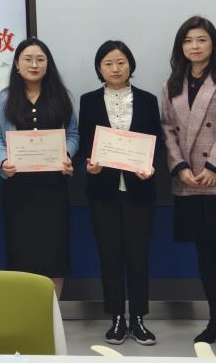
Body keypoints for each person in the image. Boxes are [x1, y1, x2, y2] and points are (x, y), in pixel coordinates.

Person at [160, 16, 216, 349]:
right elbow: (167, 129)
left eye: (201, 40)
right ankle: (214, 320)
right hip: (190, 180)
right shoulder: (172, 84)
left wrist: (215, 166)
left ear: (213, 43)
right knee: (204, 253)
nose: (194, 46)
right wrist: (179, 166)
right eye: (187, 41)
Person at [78, 40, 162, 346]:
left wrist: (150, 167)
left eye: (121, 62)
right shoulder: (88, 101)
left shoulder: (148, 100)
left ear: (130, 65)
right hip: (103, 190)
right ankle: (116, 317)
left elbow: (157, 143)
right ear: (99, 68)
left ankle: (138, 318)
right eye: (108, 63)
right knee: (109, 255)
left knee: (138, 256)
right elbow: (85, 143)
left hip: (139, 188)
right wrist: (90, 166)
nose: (115, 68)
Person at [0, 37, 78, 297]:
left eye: (40, 59)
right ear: (17, 64)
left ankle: (52, 314)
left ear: (48, 64)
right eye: (28, 59)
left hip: (53, 188)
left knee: (55, 254)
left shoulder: (61, 97)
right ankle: (25, 314)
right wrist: (3, 160)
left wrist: (67, 154)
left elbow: (73, 134)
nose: (34, 65)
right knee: (22, 253)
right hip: (18, 189)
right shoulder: (4, 99)